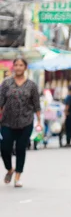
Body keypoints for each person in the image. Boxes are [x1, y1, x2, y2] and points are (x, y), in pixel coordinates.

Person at [0, 57, 41, 187]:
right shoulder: (6, 83)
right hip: (7, 122)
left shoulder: (31, 85)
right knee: (5, 148)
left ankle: (18, 176)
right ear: (13, 67)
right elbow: (0, 102)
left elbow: (36, 105)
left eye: (21, 65)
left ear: (25, 67)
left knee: (20, 148)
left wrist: (39, 121)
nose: (18, 67)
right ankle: (9, 169)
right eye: (16, 65)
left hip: (26, 121)